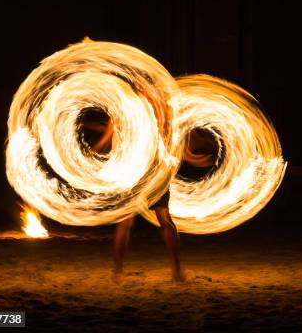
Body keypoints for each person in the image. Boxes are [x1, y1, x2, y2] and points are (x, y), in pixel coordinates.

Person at [84, 117, 217, 283]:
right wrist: (190, 157)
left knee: (128, 221)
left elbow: (107, 139)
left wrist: (89, 157)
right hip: (153, 172)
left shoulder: (125, 109)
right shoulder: (159, 111)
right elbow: (172, 143)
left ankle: (117, 273)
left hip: (133, 172)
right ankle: (176, 272)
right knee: (163, 219)